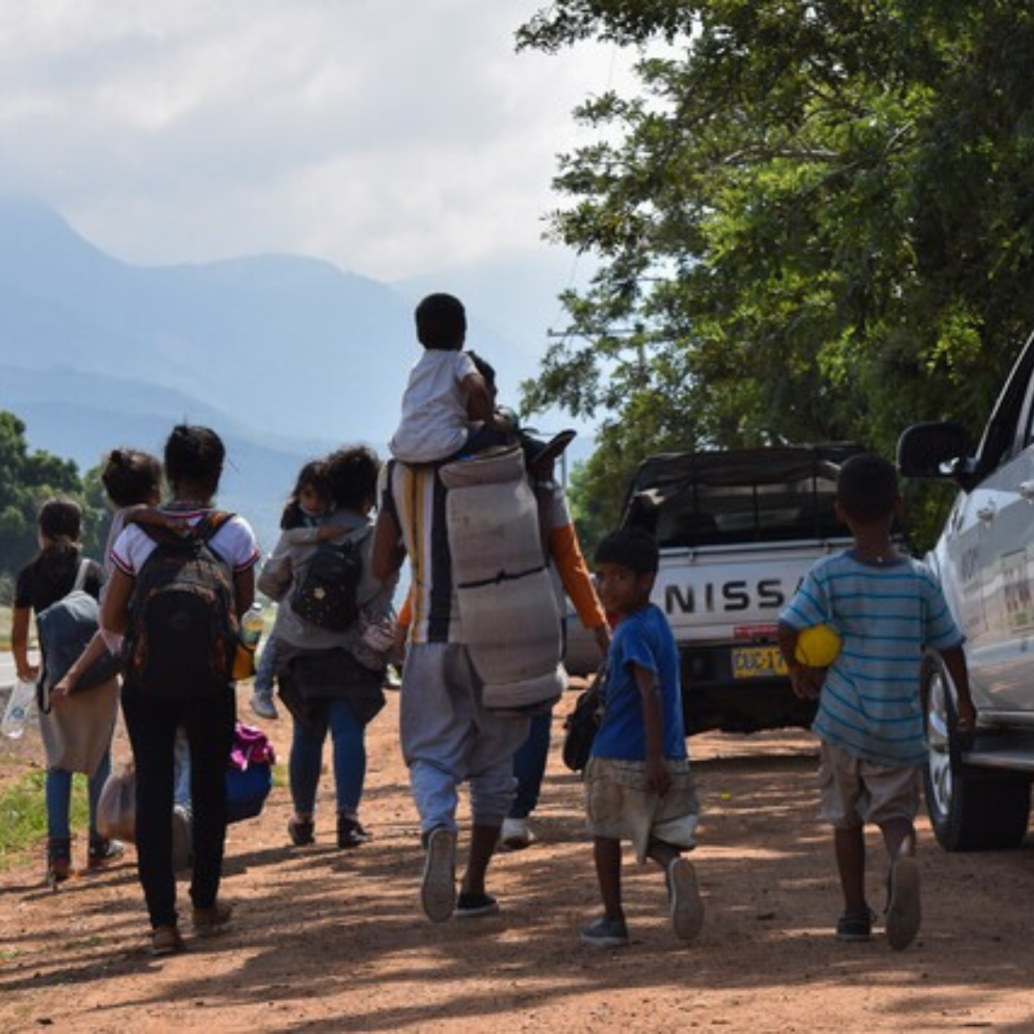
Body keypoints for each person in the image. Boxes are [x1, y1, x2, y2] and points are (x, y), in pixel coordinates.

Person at [777, 452, 976, 951]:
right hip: (898, 724)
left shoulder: (827, 575)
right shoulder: (920, 579)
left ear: (840, 512)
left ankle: (852, 915)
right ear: (899, 506)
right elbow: (950, 645)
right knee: (895, 817)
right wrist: (965, 703)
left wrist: (797, 669)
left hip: (843, 720)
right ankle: (902, 859)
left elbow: (787, 625)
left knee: (845, 821)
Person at [102, 425, 260, 956]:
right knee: (209, 789)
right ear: (217, 476)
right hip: (211, 682)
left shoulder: (135, 534)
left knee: (154, 790)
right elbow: (240, 609)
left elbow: (111, 615)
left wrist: (148, 649)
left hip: (146, 684)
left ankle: (161, 924)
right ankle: (205, 904)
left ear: (169, 474)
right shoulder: (235, 531)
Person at [372, 448, 530, 923]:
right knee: (497, 759)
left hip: (431, 633)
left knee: (430, 753)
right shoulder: (507, 459)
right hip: (501, 634)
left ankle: (438, 825)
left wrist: (414, 542)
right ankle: (474, 886)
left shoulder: (398, 472)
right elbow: (548, 543)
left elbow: (381, 564)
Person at [259, 447, 396, 850]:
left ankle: (303, 820)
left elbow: (269, 584)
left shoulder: (303, 532)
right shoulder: (376, 538)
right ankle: (348, 820)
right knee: (348, 730)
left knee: (306, 733)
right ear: (370, 494)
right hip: (350, 650)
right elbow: (381, 596)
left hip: (299, 646)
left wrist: (299, 596)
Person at [580, 528, 703, 949]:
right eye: (601, 576)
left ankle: (614, 918)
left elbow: (649, 689)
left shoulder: (630, 630)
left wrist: (650, 756)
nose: (606, 586)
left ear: (646, 580)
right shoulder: (657, 622)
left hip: (620, 753)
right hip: (666, 750)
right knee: (654, 832)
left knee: (605, 831)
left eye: (619, 577)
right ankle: (672, 870)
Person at [12, 497, 123, 884]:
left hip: (55, 684)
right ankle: (99, 842)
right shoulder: (92, 572)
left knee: (59, 764)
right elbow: (111, 621)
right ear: (79, 532)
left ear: (40, 531)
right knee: (99, 759)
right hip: (99, 679)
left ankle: (59, 854)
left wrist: (27, 668)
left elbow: (18, 635)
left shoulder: (29, 575)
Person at [250, 460, 333, 721]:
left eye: (321, 495)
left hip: (321, 596)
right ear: (299, 494)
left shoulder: (333, 520)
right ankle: (262, 689)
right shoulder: (298, 524)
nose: (314, 502)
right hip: (294, 595)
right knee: (276, 641)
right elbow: (287, 547)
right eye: (309, 495)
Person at [388, 292, 508, 464]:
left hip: (403, 447)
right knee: (498, 435)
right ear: (462, 334)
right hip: (445, 447)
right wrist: (492, 420)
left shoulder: (418, 366)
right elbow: (476, 389)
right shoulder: (458, 359)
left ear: (419, 335)